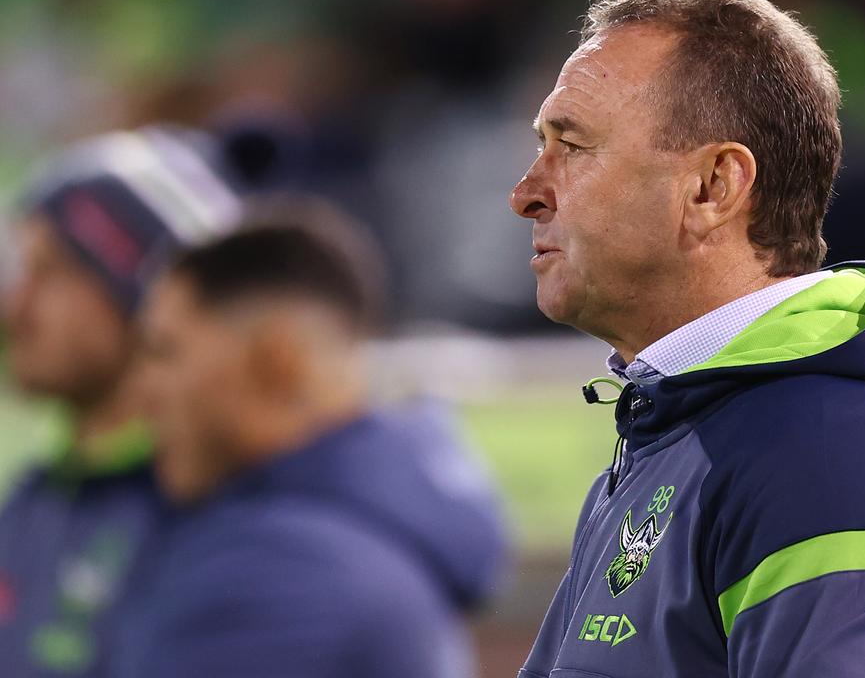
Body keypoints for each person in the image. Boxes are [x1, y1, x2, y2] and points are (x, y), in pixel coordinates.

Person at [509, 0, 865, 678]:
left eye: (574, 146)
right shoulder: (686, 434)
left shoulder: (837, 451)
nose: (527, 192)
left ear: (713, 187)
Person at [113, 203, 506, 678]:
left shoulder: (272, 572)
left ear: (278, 363)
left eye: (165, 352)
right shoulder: (372, 528)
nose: (140, 394)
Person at [0, 128, 242, 677]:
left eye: (53, 273)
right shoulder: (32, 499)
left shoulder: (205, 514)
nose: (15, 307)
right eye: (20, 272)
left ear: (153, 302)